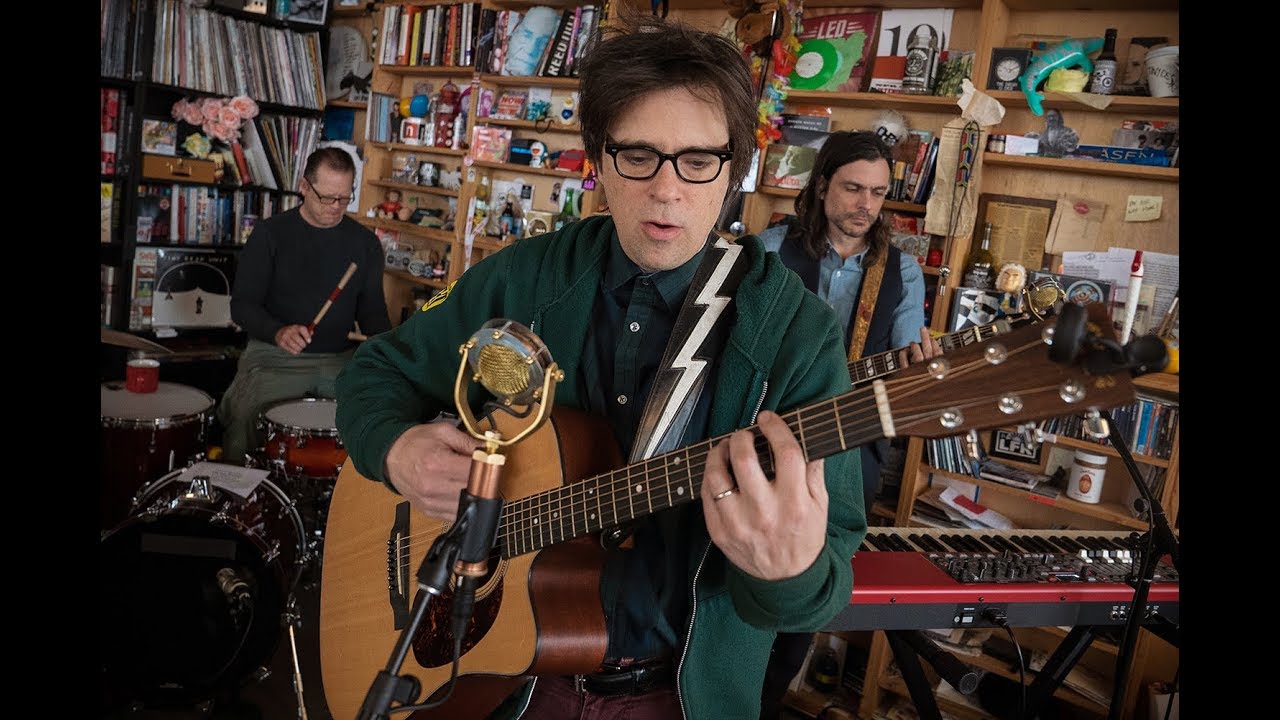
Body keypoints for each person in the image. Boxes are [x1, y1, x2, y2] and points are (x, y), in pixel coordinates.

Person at [334, 13, 866, 720]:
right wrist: (395, 449)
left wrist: (788, 571)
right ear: (597, 158)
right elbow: (375, 374)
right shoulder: (521, 280)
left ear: (737, 167)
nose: (668, 190)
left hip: (678, 696)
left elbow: (829, 575)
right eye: (638, 155)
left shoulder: (797, 334)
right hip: (499, 681)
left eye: (699, 160)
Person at [755, 130, 942, 718]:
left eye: (879, 193)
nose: (866, 204)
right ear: (822, 186)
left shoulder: (903, 272)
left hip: (851, 450)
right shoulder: (765, 250)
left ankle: (766, 702)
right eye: (854, 188)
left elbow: (908, 368)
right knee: (743, 569)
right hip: (762, 439)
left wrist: (921, 370)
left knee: (812, 585)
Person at [217, 147, 390, 466]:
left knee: (377, 416)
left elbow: (373, 316)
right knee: (244, 414)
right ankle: (238, 501)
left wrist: (392, 354)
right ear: (304, 187)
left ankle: (347, 507)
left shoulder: (364, 244)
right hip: (275, 357)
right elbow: (242, 307)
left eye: (344, 198)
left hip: (339, 360)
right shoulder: (270, 235)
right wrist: (278, 332)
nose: (336, 208)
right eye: (327, 198)